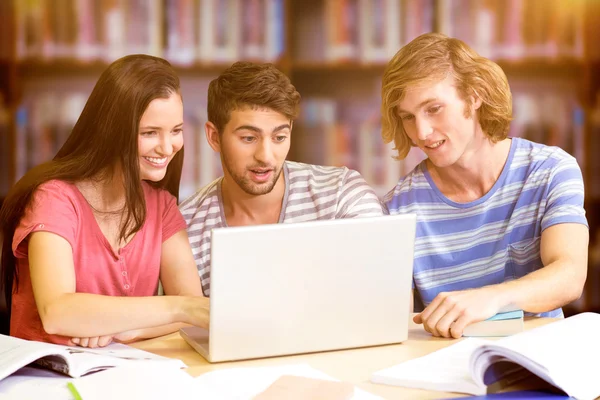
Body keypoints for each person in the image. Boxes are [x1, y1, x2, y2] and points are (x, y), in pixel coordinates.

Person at [382, 33, 589, 338]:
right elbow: (390, 321)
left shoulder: (550, 170)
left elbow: (570, 275)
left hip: (539, 364)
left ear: (474, 96)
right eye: (408, 117)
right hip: (443, 369)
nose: (422, 132)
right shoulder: (397, 209)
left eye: (434, 109)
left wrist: (490, 298)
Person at [0, 55, 208, 348]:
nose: (167, 146)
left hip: (121, 375)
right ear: (112, 131)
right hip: (47, 380)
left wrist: (129, 330)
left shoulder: (162, 207)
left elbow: (195, 309)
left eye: (175, 130)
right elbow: (57, 312)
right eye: (149, 133)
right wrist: (179, 308)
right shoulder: (55, 198)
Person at [179, 61, 386, 296]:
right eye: (248, 138)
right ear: (214, 137)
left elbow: (383, 296)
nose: (265, 156)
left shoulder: (342, 195)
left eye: (279, 137)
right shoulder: (185, 228)